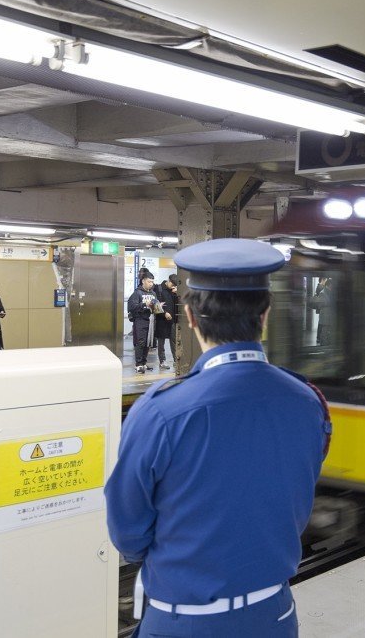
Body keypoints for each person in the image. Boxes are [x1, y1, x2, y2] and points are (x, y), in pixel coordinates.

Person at [106, 238, 330, 637]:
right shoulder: (308, 402)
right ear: (265, 315)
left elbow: (128, 531)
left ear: (189, 316)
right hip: (274, 615)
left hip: (183, 620)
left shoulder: (160, 411)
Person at [126, 274, 158, 373]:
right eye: (149, 281)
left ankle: (144, 363)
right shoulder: (137, 293)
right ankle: (138, 364)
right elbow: (131, 307)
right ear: (143, 281)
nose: (151, 284)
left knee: (148, 343)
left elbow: (155, 307)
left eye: (152, 282)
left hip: (151, 320)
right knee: (140, 342)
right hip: (140, 320)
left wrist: (158, 307)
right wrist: (144, 304)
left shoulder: (153, 293)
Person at [152, 274, 178, 370]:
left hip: (172, 321)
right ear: (169, 281)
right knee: (161, 342)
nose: (173, 286)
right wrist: (165, 313)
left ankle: (176, 360)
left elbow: (177, 305)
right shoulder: (158, 289)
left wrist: (177, 294)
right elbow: (155, 305)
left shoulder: (174, 291)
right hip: (161, 320)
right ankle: (162, 361)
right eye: (173, 284)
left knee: (174, 341)